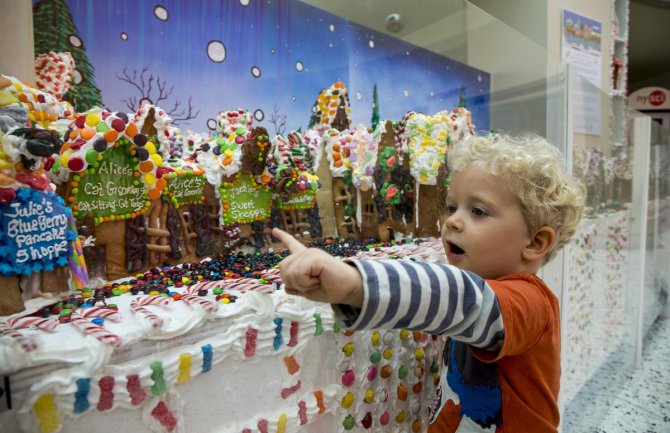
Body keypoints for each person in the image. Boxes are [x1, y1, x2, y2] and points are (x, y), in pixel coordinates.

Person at [273, 133, 585, 433]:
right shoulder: (485, 287)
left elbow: (460, 299)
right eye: (452, 207)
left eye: (478, 211)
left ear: (535, 241)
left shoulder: (530, 304)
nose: (452, 221)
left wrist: (356, 284)